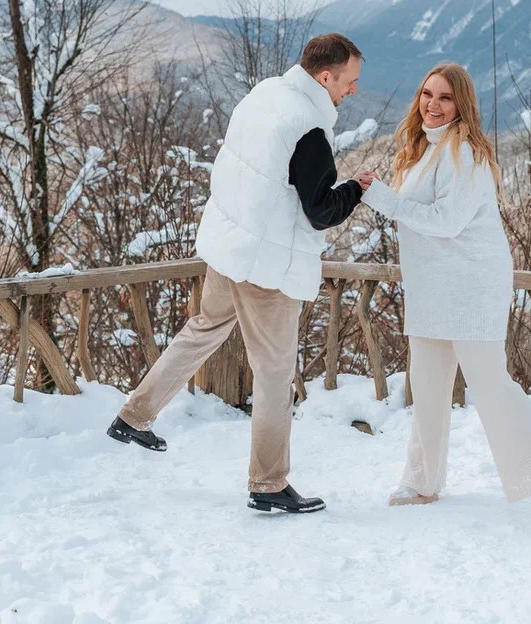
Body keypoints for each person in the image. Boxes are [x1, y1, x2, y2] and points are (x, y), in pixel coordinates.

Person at [107, 33, 376, 514]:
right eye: (350, 81)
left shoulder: (264, 94)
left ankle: (135, 416)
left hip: (229, 247)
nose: (353, 90)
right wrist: (355, 189)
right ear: (325, 76)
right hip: (266, 265)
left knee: (202, 329)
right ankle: (269, 483)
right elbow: (320, 212)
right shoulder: (310, 128)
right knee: (274, 373)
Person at [361, 62, 531, 528]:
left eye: (444, 98)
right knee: (427, 383)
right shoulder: (425, 150)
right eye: (427, 94)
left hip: (470, 286)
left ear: (462, 105)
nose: (433, 105)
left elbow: (446, 222)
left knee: (489, 387)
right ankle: (422, 480)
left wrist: (381, 197)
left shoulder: (465, 153)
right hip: (430, 288)